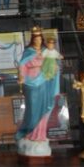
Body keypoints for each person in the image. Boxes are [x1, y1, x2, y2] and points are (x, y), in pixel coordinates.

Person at [15, 26, 61, 158]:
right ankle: (30, 133)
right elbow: (22, 65)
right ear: (32, 39)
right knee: (33, 109)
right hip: (32, 84)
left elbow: (54, 64)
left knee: (45, 108)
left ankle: (40, 135)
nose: (38, 41)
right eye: (36, 39)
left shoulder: (47, 51)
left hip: (45, 82)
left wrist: (54, 67)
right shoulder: (28, 51)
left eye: (40, 39)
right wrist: (21, 76)